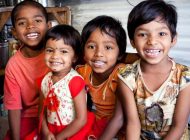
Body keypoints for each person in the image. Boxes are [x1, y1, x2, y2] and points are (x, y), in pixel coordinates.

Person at [117, 0, 190, 139]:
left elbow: (178, 126)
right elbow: (133, 123)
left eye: (161, 34)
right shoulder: (127, 76)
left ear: (173, 39)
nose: (152, 41)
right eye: (143, 34)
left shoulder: (185, 76)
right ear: (132, 41)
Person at [3, 0, 51, 140]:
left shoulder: (56, 55)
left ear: (48, 26)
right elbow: (14, 108)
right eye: (22, 23)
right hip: (28, 117)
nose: (31, 26)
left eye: (37, 20)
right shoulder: (13, 65)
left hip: (55, 113)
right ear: (14, 32)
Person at [40, 24, 95, 140]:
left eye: (63, 51)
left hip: (71, 130)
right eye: (50, 50)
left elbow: (81, 119)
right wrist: (45, 131)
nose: (55, 56)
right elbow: (42, 110)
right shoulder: (45, 80)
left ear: (74, 57)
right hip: (50, 129)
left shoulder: (74, 81)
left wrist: (59, 137)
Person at [76, 15, 127, 139]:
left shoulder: (122, 74)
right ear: (83, 50)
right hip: (97, 123)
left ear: (120, 53)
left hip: (122, 128)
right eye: (91, 47)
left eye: (108, 47)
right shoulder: (83, 71)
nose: (98, 53)